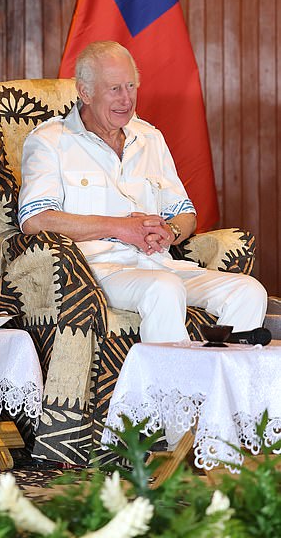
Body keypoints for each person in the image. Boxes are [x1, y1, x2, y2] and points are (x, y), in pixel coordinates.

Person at [18, 40, 268, 343]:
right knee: (163, 288)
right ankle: (170, 391)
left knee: (249, 291)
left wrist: (170, 231)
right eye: (114, 89)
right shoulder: (50, 141)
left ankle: (219, 387)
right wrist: (122, 229)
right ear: (85, 92)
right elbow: (35, 219)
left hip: (159, 263)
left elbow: (184, 213)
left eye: (131, 86)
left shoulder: (150, 137)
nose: (127, 99)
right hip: (96, 271)